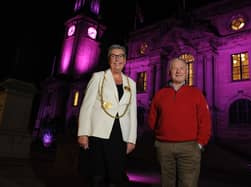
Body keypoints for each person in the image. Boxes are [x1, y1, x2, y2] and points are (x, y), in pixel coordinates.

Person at [77, 44, 137, 187]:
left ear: (125, 59)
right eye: (114, 56)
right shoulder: (98, 77)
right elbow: (87, 107)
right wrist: (83, 133)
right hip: (98, 133)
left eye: (121, 56)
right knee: (97, 175)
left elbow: (132, 113)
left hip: (120, 134)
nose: (117, 59)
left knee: (116, 176)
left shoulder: (132, 83)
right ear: (109, 59)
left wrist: (132, 139)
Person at [148, 57, 212, 187]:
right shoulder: (160, 94)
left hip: (189, 147)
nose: (178, 71)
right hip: (164, 147)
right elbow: (152, 120)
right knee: (166, 183)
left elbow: (205, 120)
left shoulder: (196, 93)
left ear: (187, 72)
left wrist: (200, 143)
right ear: (169, 72)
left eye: (182, 68)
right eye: (175, 68)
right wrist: (159, 140)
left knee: (188, 184)